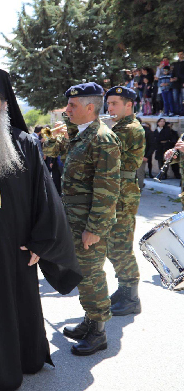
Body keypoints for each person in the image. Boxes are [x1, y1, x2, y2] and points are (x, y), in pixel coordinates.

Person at [0, 68, 81, 390]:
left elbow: (45, 197)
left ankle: (27, 359)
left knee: (20, 305)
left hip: (18, 249)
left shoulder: (25, 144)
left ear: (4, 104)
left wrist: (40, 243)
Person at [42, 82, 121, 356]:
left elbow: (107, 190)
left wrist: (95, 229)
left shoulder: (102, 139)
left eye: (72, 105)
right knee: (83, 275)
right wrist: (54, 131)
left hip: (89, 224)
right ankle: (90, 320)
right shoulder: (81, 134)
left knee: (91, 275)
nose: (67, 110)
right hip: (75, 222)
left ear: (90, 108)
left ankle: (98, 332)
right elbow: (50, 151)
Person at [104, 86, 145, 316]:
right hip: (118, 190)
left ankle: (131, 298)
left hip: (123, 193)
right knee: (114, 245)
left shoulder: (129, 129)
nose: (109, 108)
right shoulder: (119, 127)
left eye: (115, 103)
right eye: (108, 103)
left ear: (129, 105)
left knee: (120, 245)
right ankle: (124, 290)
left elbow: (103, 151)